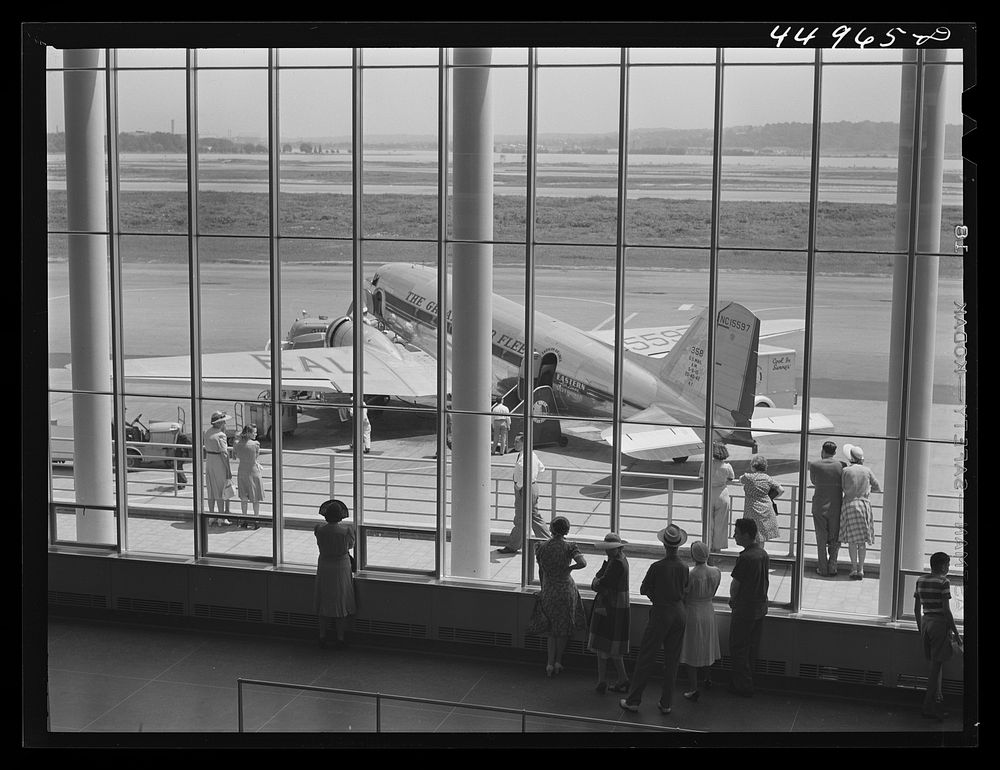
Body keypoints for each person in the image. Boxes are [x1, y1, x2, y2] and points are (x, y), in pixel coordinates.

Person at [619, 524, 689, 716]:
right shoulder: (684, 567)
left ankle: (634, 700)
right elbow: (685, 589)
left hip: (661, 613)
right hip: (679, 613)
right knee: (672, 660)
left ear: (664, 545)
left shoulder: (657, 567)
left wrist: (656, 597)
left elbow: (643, 589)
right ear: (678, 545)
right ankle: (666, 703)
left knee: (647, 656)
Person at [527, 516, 588, 676]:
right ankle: (558, 662)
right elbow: (582, 563)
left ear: (552, 529)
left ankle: (548, 664)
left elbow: (541, 571)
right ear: (567, 530)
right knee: (563, 629)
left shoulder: (541, 547)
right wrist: (569, 569)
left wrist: (543, 589)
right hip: (565, 590)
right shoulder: (570, 547)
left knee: (551, 631)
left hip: (549, 590)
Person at [913, 552, 962, 721]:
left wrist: (921, 630)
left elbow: (916, 609)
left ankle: (935, 701)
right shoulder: (944, 582)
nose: (948, 568)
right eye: (948, 565)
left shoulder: (920, 580)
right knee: (936, 668)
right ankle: (928, 706)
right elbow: (946, 611)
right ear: (942, 566)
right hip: (939, 624)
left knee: (934, 666)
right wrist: (956, 633)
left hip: (926, 622)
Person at [728, 518, 769, 697]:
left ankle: (742, 685)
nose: (734, 536)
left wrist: (733, 600)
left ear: (746, 535)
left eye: (736, 533)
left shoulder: (745, 558)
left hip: (744, 609)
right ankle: (749, 681)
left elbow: (735, 585)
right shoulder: (762, 554)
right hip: (760, 607)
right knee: (752, 647)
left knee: (738, 647)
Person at [587, 533, 631, 695]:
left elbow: (599, 583)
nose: (607, 552)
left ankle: (604, 680)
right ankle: (619, 679)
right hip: (617, 607)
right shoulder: (622, 560)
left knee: (603, 645)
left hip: (609, 607)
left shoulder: (615, 564)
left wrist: (595, 581)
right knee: (612, 647)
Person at [679, 540, 722, 701]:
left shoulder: (691, 574)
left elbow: (684, 595)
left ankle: (693, 687)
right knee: (707, 644)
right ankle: (708, 678)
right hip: (708, 610)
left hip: (693, 612)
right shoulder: (716, 571)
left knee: (691, 648)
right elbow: (715, 591)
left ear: (692, 555)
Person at [313, 498, 357, 649]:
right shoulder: (346, 531)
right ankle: (340, 637)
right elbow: (350, 545)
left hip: (324, 565)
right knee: (341, 600)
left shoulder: (319, 529)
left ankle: (322, 636)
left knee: (324, 599)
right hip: (341, 566)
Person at [497, 434, 550, 554]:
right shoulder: (530, 455)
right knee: (529, 516)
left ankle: (546, 542)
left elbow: (528, 474)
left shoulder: (526, 457)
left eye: (517, 442)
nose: (514, 443)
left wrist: (519, 485)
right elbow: (542, 468)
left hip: (525, 488)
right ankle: (545, 542)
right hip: (530, 487)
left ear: (524, 443)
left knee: (524, 517)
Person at [839, 443, 881, 580]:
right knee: (862, 541)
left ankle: (853, 568)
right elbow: (877, 487)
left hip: (849, 504)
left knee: (852, 541)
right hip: (864, 505)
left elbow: (842, 486)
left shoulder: (846, 471)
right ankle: (861, 569)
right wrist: (867, 490)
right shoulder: (867, 470)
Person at [808, 441, 847, 576]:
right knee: (835, 539)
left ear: (822, 451)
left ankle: (822, 568)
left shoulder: (814, 465)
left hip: (819, 505)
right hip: (836, 506)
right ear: (835, 452)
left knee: (821, 538)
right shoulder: (841, 465)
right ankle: (833, 566)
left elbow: (813, 481)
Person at [699, 441, 735, 552]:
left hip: (709, 493)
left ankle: (708, 547)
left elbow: (701, 475)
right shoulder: (727, 466)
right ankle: (718, 549)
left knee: (708, 522)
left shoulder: (706, 464)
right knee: (721, 524)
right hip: (722, 494)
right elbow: (731, 477)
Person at [739, 454, 783, 543]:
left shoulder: (749, 477)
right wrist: (770, 497)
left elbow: (740, 479)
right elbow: (781, 490)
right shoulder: (767, 478)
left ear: (753, 466)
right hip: (766, 509)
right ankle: (760, 554)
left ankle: (753, 554)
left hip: (751, 509)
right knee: (762, 537)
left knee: (751, 535)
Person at [204, 411, 232, 526]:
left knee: (211, 489)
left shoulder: (207, 432)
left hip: (209, 461)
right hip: (218, 463)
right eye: (224, 421)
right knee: (221, 489)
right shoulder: (221, 435)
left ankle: (211, 515)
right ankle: (221, 517)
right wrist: (228, 469)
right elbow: (224, 453)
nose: (225, 423)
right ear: (220, 423)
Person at [233, 424, 264, 528]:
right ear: (249, 433)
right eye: (254, 432)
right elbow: (256, 456)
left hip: (242, 471)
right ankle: (256, 520)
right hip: (253, 471)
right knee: (255, 498)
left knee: (243, 498)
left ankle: (245, 519)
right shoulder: (255, 444)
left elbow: (235, 456)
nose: (256, 434)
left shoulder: (237, 444)